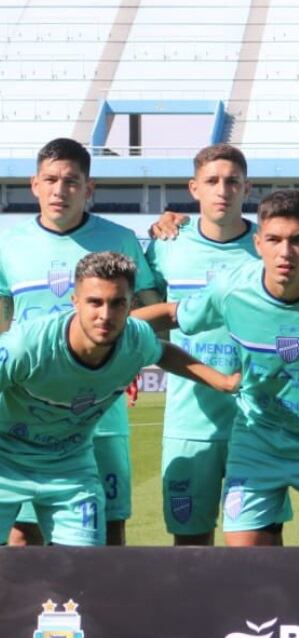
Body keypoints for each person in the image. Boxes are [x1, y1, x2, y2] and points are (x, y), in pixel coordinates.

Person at [133, 189, 299, 547]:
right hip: (257, 442)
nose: (285, 252)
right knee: (248, 569)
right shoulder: (232, 288)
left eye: (296, 240)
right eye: (274, 240)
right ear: (258, 243)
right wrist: (103, 328)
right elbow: (173, 314)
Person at [0, 252, 238, 546]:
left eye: (117, 303)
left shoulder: (135, 339)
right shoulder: (26, 347)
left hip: (70, 468)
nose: (105, 315)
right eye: (94, 302)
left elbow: (163, 352)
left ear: (131, 305)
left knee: (83, 572)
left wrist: (223, 381)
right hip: (5, 462)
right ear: (74, 301)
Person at [0, 138, 162, 546]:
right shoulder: (8, 246)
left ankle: (104, 611)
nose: (59, 190)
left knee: (108, 527)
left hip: (100, 411)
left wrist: (117, 351)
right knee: (23, 536)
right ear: (34, 184)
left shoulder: (121, 239)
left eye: (71, 181)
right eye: (51, 180)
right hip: (27, 413)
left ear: (89, 188)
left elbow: (149, 308)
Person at [145, 143, 282, 546]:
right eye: (212, 181)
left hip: (258, 420)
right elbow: (150, 318)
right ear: (194, 188)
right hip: (190, 422)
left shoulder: (270, 247)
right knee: (191, 547)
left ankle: (269, 614)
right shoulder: (167, 247)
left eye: (232, 181)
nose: (223, 190)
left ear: (247, 188)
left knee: (263, 545)